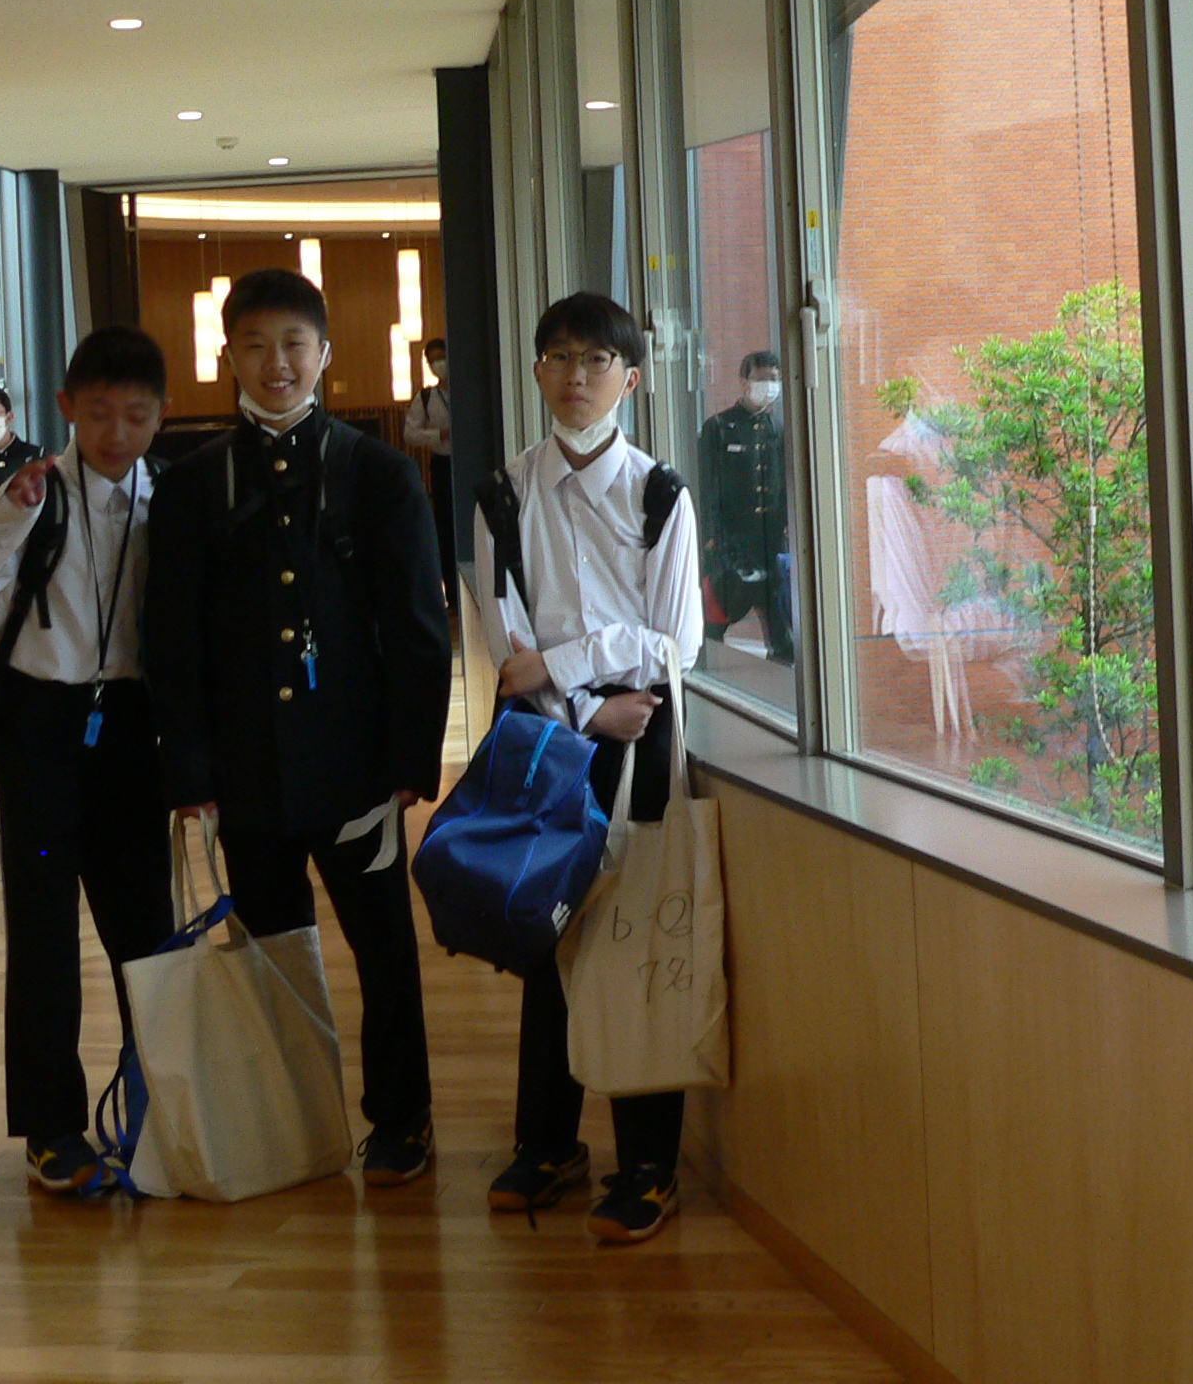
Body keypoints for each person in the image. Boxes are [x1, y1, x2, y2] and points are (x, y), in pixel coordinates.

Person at [141, 268, 452, 1187]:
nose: (276, 363)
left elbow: (420, 629)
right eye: (256, 345)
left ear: (323, 353)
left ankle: (402, 1119)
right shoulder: (191, 485)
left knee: (384, 952)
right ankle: (297, 1124)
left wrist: (410, 760)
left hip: (358, 770)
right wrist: (189, 770)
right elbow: (171, 640)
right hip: (246, 771)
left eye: (293, 344)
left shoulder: (378, 472)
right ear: (228, 355)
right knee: (274, 955)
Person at [0, 329, 174, 1196]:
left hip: (132, 731)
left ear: (160, 416)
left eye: (135, 415)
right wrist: (5, 512)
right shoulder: (29, 494)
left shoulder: (168, 498)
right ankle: (52, 1127)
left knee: (146, 930)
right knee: (42, 931)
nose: (116, 433)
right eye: (98, 413)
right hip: (40, 732)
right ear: (66, 409)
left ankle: (160, 1108)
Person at [474, 291, 703, 1245]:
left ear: (631, 379)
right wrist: (582, 702)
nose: (577, 376)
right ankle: (548, 1143)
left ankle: (648, 1163)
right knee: (545, 941)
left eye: (597, 361)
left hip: (642, 740)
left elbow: (675, 641)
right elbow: (505, 644)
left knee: (636, 945)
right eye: (561, 358)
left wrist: (569, 667)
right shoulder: (502, 493)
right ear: (537, 371)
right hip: (548, 740)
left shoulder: (660, 493)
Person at [696, 348, 794, 664]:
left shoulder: (778, 428)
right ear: (744, 382)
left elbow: (784, 485)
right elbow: (707, 487)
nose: (769, 385)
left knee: (783, 636)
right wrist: (711, 536)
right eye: (762, 378)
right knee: (715, 623)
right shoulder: (720, 427)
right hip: (732, 544)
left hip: (770, 543)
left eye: (774, 379)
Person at [402, 336, 458, 623]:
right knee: (445, 531)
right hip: (442, 465)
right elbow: (409, 434)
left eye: (442, 358)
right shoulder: (426, 397)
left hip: (468, 464)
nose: (439, 364)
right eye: (433, 360)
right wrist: (438, 435)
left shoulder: (465, 389)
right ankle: (452, 599)